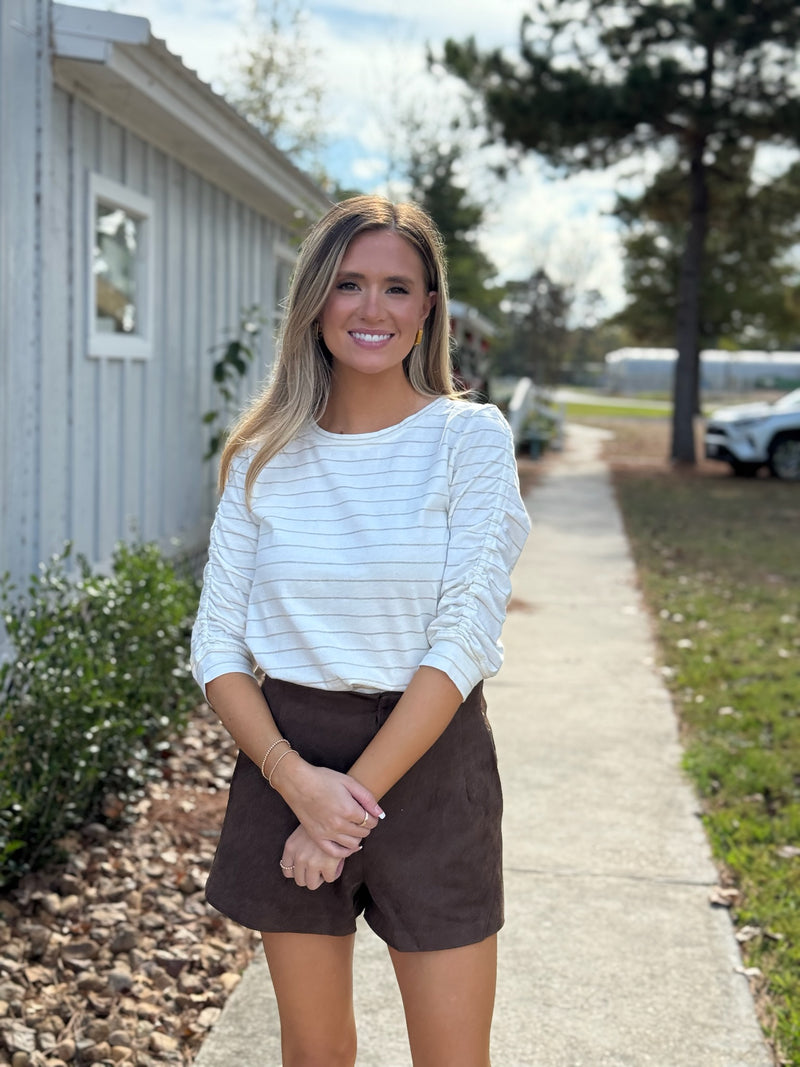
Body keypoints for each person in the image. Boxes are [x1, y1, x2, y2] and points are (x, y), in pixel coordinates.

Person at [191, 195, 530, 1067]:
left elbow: (461, 640)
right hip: (288, 754)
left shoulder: (469, 440)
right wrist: (299, 786)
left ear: (427, 310)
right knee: (314, 1054)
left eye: (396, 286)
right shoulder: (261, 455)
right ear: (315, 301)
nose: (371, 308)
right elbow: (218, 647)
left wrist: (344, 809)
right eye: (348, 284)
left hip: (430, 761)